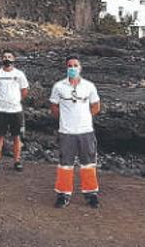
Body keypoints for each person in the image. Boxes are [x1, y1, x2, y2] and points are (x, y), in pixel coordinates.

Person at [49, 55, 101, 208]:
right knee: (65, 164)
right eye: (70, 66)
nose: (72, 68)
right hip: (66, 132)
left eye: (75, 65)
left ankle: (91, 193)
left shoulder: (89, 86)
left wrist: (83, 117)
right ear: (66, 68)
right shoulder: (58, 86)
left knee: (88, 163)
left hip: (86, 131)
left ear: (80, 67)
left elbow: (96, 106)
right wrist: (67, 119)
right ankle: (63, 194)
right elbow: (54, 107)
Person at [0, 49, 29, 171]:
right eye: (4, 56)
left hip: (16, 110)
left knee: (17, 137)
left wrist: (16, 100)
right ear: (2, 59)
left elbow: (25, 90)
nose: (7, 58)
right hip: (1, 110)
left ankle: (17, 161)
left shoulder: (19, 74)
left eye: (9, 56)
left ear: (14, 59)